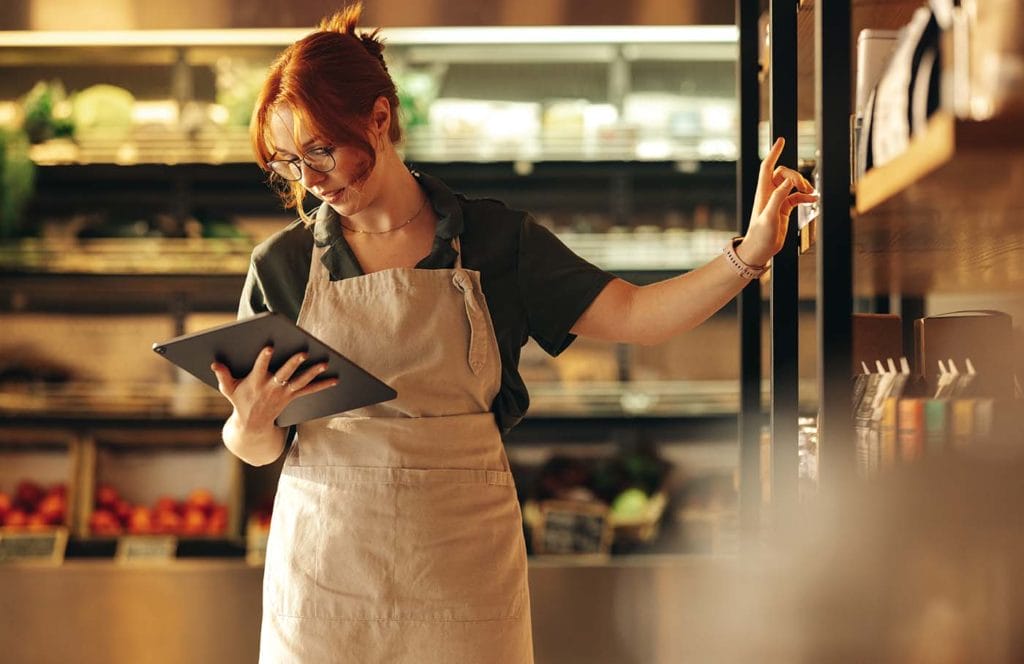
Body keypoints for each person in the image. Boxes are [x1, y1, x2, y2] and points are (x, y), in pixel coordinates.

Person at [210, 4, 815, 662]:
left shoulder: (499, 243)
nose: (309, 181)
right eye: (288, 165)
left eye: (320, 151)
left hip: (460, 565)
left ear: (378, 119)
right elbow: (255, 446)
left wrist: (750, 254)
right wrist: (250, 421)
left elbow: (638, 316)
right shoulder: (283, 264)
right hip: (327, 577)